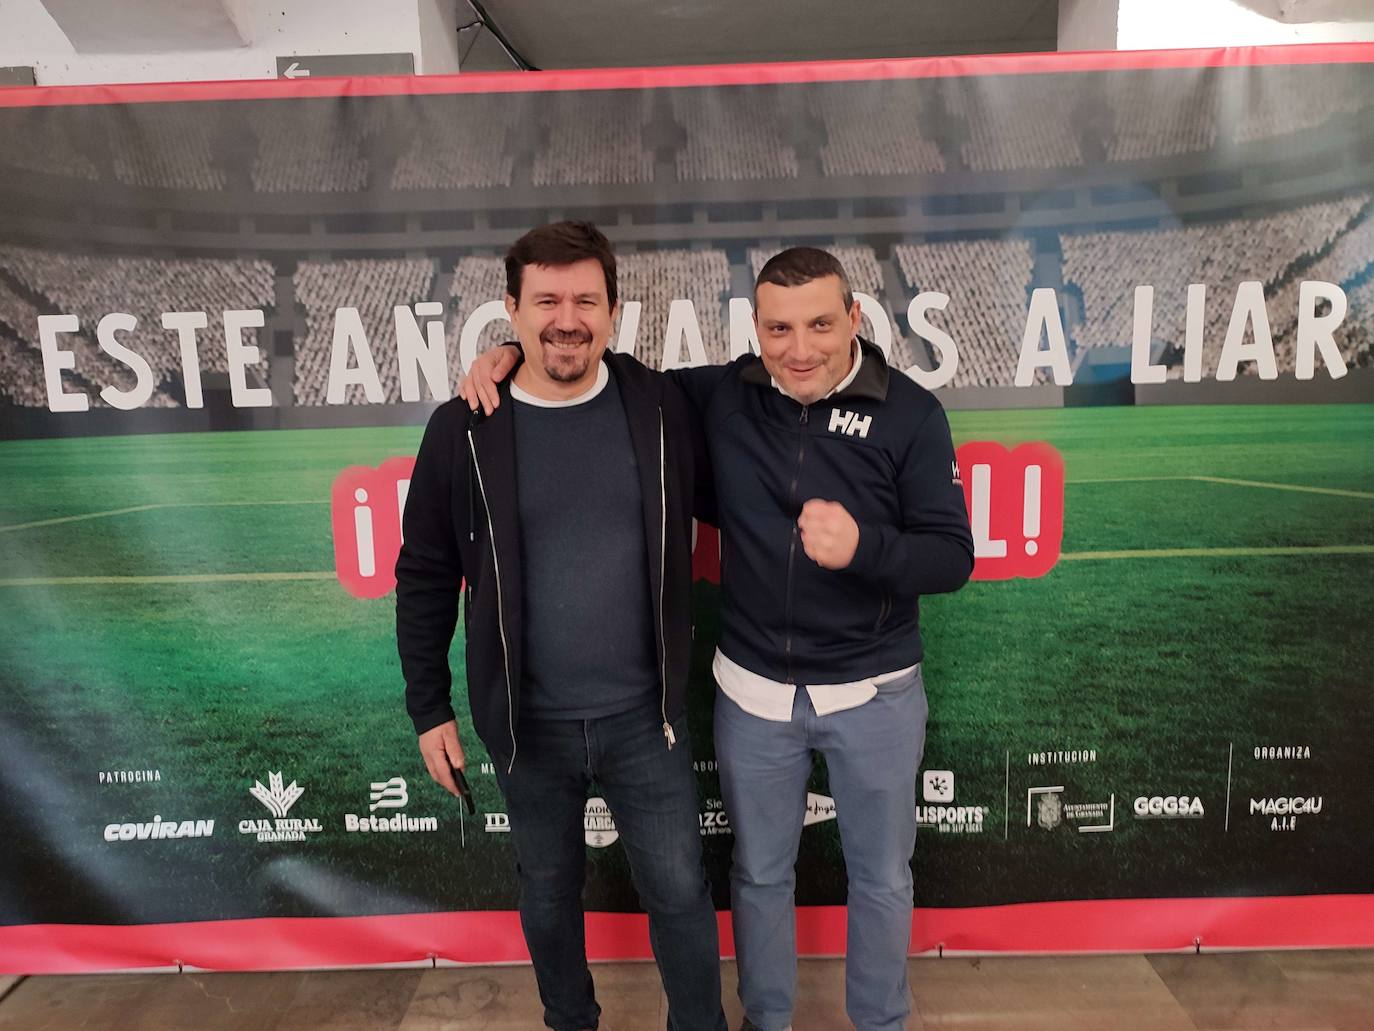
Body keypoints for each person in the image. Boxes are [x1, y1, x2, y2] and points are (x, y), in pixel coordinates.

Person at [464, 245, 974, 1031]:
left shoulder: (910, 412)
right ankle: (766, 1021)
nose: (798, 348)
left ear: (856, 320)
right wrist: (508, 354)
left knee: (881, 878)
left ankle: (881, 1022)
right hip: (752, 691)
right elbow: (599, 371)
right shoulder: (727, 394)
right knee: (759, 875)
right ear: (756, 330)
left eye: (819, 324)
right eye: (779, 328)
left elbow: (951, 554)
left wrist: (867, 548)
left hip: (876, 691)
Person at [397, 220, 726, 1031]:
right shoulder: (464, 427)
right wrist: (428, 706)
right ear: (511, 309)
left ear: (615, 312)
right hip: (525, 724)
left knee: (681, 891)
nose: (566, 317)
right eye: (545, 299)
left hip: (645, 718)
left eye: (585, 298)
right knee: (546, 892)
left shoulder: (662, 406)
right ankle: (570, 1021)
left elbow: (798, 367)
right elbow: (426, 573)